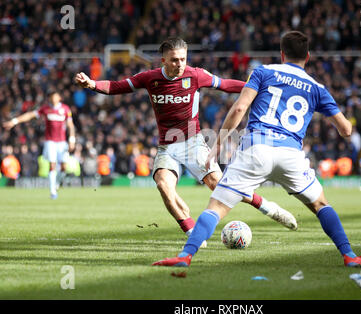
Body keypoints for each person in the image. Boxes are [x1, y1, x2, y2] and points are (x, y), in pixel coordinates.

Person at [153, 31, 361, 268]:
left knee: (217, 207)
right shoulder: (317, 88)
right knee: (321, 205)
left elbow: (240, 108)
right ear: (308, 56)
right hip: (291, 154)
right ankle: (349, 256)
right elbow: (346, 130)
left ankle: (185, 257)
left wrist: (220, 141)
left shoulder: (264, 72)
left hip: (256, 149)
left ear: (282, 54)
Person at [75, 37, 298, 246]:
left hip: (193, 143)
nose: (180, 63)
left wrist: (254, 87)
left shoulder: (195, 75)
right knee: (163, 185)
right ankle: (194, 237)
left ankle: (268, 207)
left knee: (221, 187)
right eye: (174, 59)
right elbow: (117, 86)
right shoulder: (150, 78)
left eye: (183, 59)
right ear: (163, 60)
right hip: (167, 147)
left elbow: (225, 84)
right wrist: (92, 84)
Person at [3, 91, 76, 199]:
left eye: (55, 96)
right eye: (51, 97)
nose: (53, 99)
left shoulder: (65, 109)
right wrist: (14, 121)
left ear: (59, 98)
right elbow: (30, 115)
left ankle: (56, 184)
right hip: (50, 141)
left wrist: (72, 139)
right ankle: (53, 192)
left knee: (64, 167)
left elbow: (70, 125)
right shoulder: (45, 109)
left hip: (62, 142)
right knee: (52, 164)